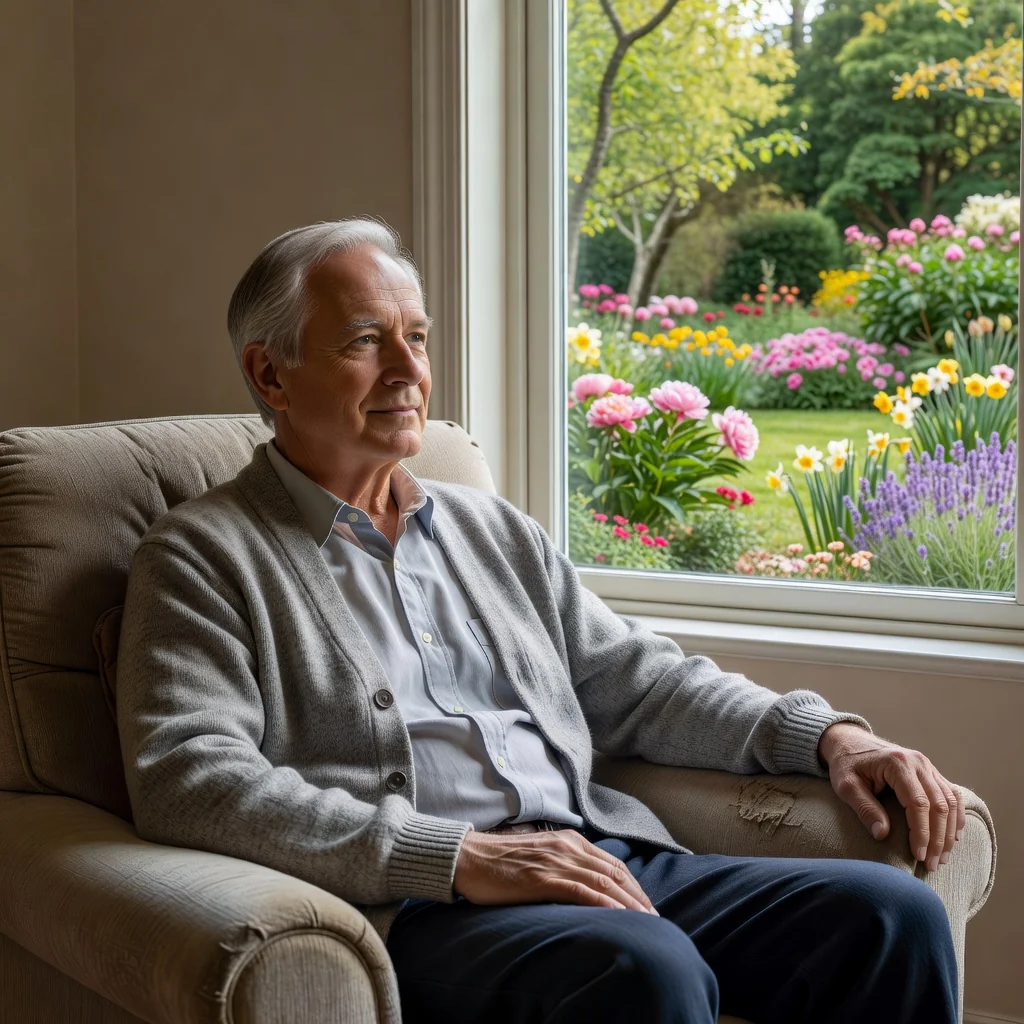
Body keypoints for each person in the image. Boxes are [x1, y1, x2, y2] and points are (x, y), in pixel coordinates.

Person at [116, 218, 962, 1024]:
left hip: (596, 857)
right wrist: (454, 856)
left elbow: (640, 681)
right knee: (643, 967)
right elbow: (191, 778)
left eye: (418, 337)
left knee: (891, 916)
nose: (408, 370)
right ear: (270, 375)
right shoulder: (202, 556)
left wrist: (825, 737)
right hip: (425, 903)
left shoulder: (489, 530)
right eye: (365, 341)